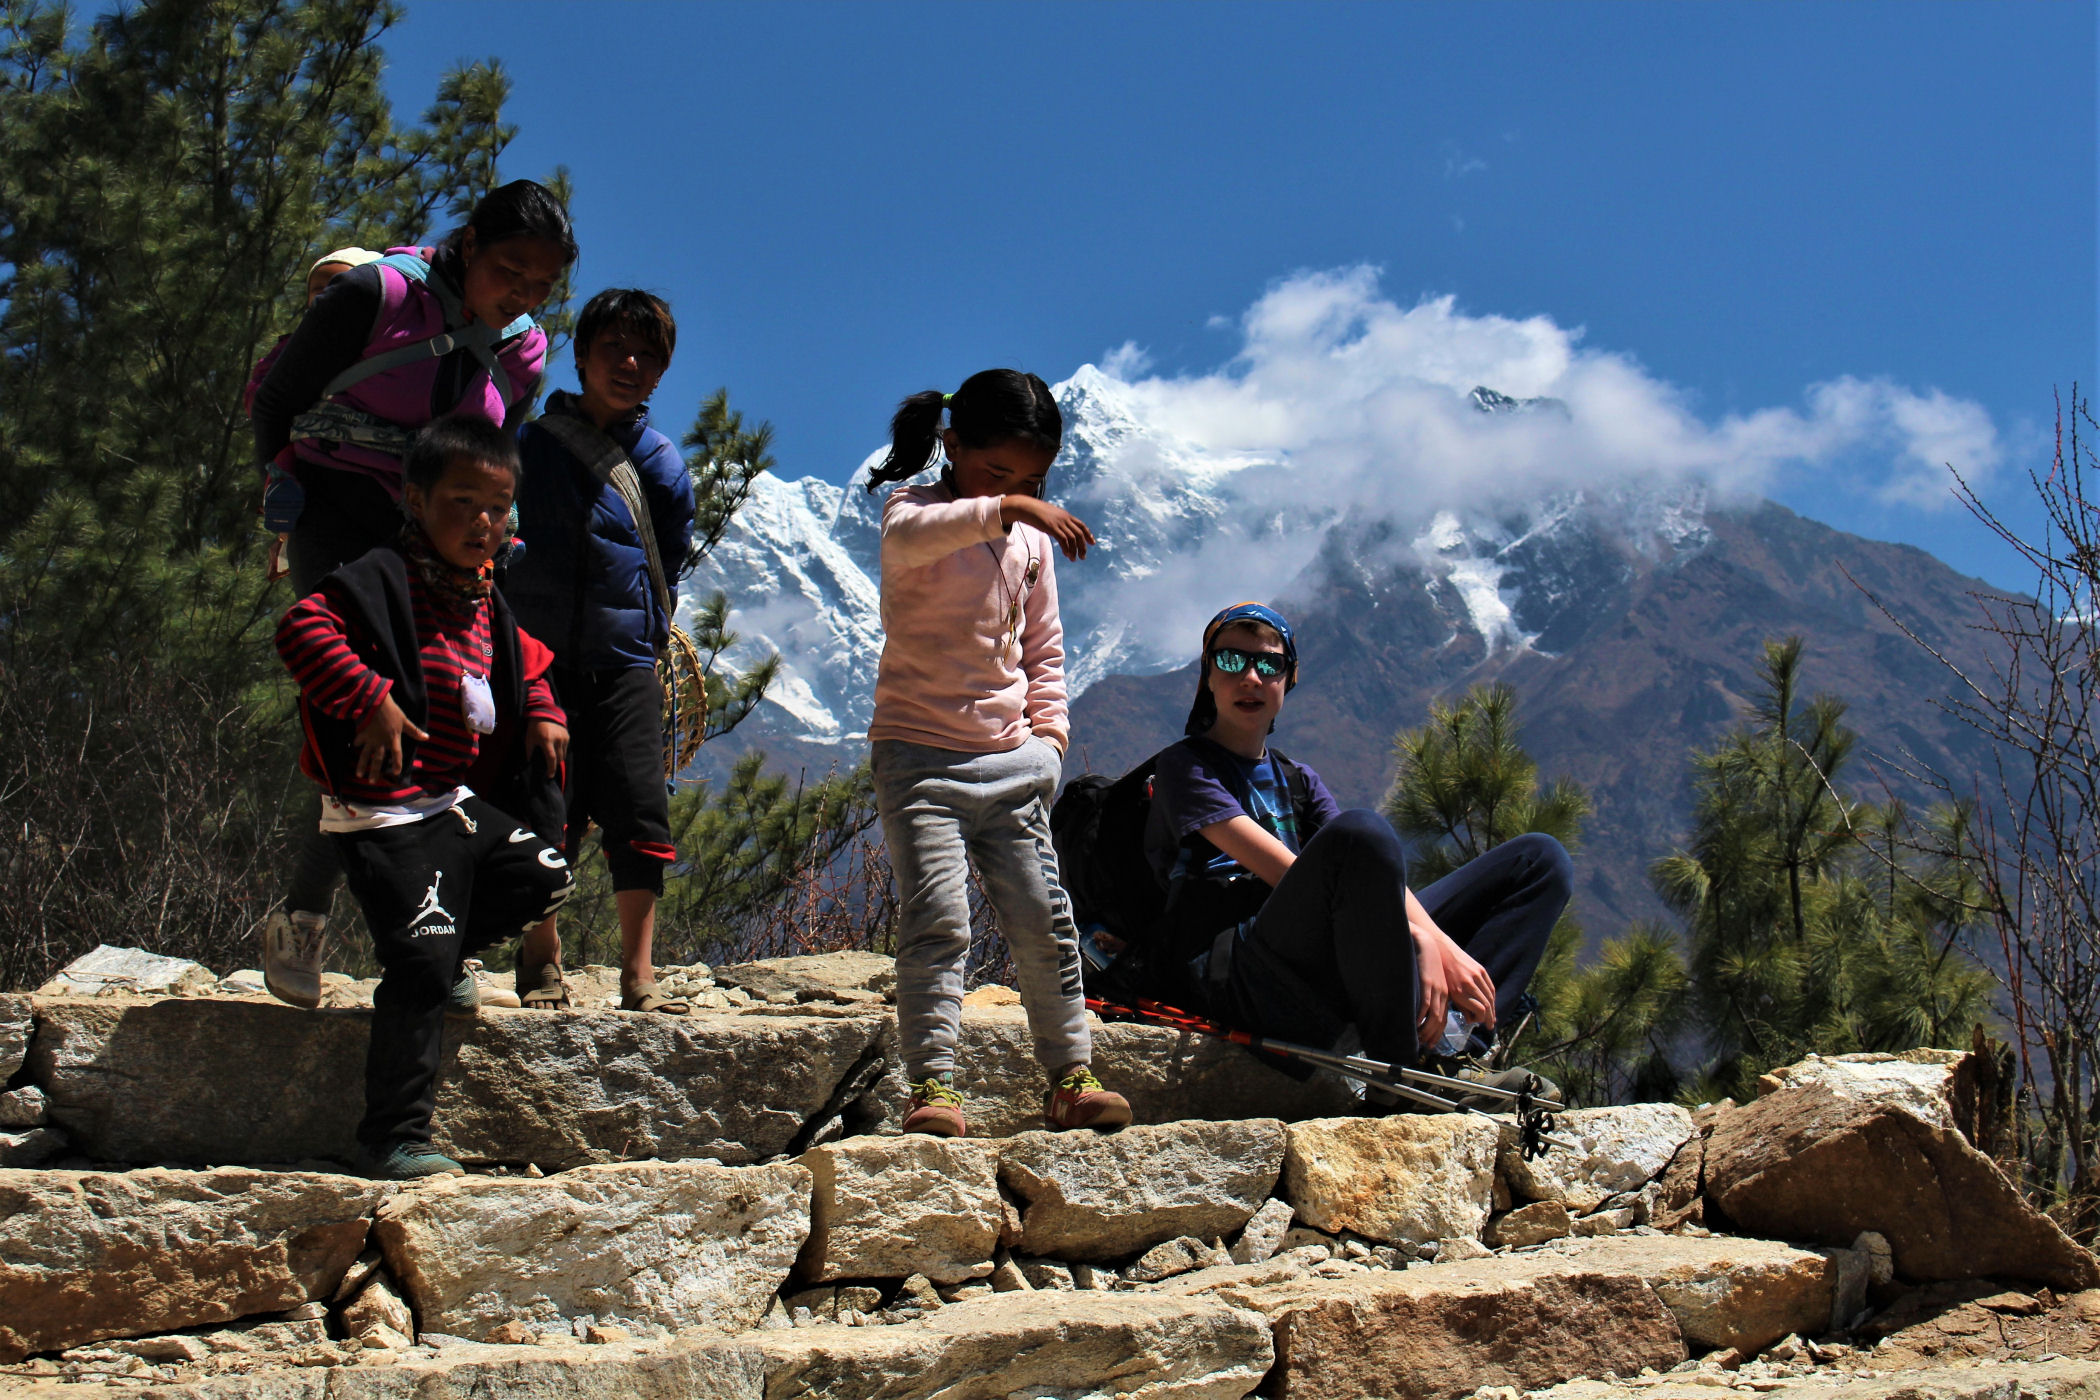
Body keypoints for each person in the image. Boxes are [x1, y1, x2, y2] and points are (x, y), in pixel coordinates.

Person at [253, 181, 577, 1007]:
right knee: (361, 717)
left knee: (455, 731)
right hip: (340, 511)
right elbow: (280, 397)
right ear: (468, 245)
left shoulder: (523, 350)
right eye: (509, 272)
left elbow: (495, 454)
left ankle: (440, 938)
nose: (523, 295)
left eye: (542, 285)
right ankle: (309, 917)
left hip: (443, 532)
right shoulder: (378, 295)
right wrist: (281, 488)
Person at [274, 416, 575, 1179]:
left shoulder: (481, 598)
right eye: (462, 503)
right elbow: (302, 630)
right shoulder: (382, 578)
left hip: (446, 802)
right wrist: (368, 697)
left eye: (497, 508)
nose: (482, 523)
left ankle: (451, 949)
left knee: (542, 875)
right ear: (415, 499)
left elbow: (526, 667)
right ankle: (392, 1137)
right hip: (378, 810)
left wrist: (543, 710)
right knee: (420, 969)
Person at [1138, 601, 1569, 1107]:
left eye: (1269, 663)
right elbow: (1286, 871)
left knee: (1539, 861)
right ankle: (1400, 1077)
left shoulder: (1298, 779)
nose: (1250, 678)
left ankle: (1454, 1052)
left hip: (1320, 954)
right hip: (1243, 976)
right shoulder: (1185, 767)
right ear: (1207, 676)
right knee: (1362, 832)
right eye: (1231, 661)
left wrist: (1440, 944)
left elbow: (1373, 876)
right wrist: (1413, 936)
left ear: (1290, 678)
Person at [867, 368, 1131, 1137]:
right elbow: (914, 539)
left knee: (1045, 921)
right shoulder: (911, 511)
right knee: (939, 920)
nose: (1016, 491)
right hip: (920, 759)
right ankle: (932, 1084)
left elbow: (1042, 650)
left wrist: (1049, 742)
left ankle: (1071, 1076)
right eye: (997, 472)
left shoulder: (1031, 542)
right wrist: (1011, 507)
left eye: (1032, 480)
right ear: (951, 445)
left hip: (1013, 762)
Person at [505, 289, 696, 1013]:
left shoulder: (661, 465)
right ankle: (540, 955)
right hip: (536, 658)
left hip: (625, 660)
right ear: (580, 354)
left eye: (647, 355)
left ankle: (638, 974)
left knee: (639, 807)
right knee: (541, 804)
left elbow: (667, 563)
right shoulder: (529, 448)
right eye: (614, 347)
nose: (629, 364)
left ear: (662, 372)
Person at [246, 246, 384, 581]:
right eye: (317, 290)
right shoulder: (294, 346)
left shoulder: (386, 350)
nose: (326, 296)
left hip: (372, 464)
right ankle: (283, 501)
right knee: (286, 462)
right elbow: (264, 393)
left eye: (338, 286)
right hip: (310, 445)